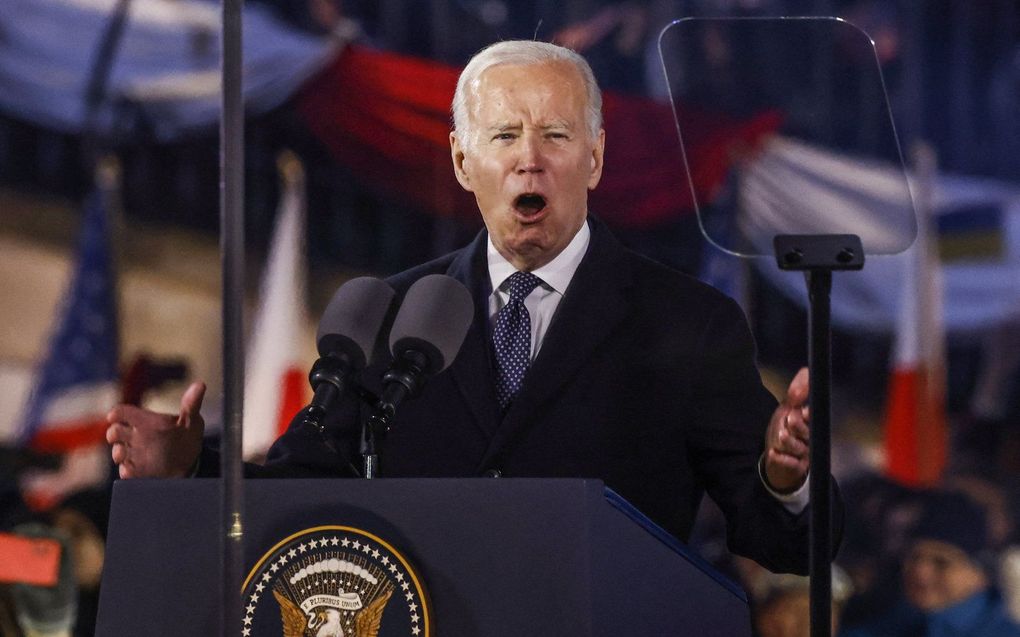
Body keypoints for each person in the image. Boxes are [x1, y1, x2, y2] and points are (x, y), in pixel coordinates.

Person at [106, 40, 841, 574]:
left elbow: (781, 537)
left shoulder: (688, 322)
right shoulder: (391, 313)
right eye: (504, 135)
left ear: (595, 158)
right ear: (463, 161)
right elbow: (303, 488)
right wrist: (192, 470)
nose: (530, 157)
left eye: (556, 135)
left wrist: (786, 477)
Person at [840, 491, 1020, 637]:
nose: (920, 571)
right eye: (914, 557)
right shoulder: (891, 621)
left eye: (942, 562)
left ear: (980, 575)